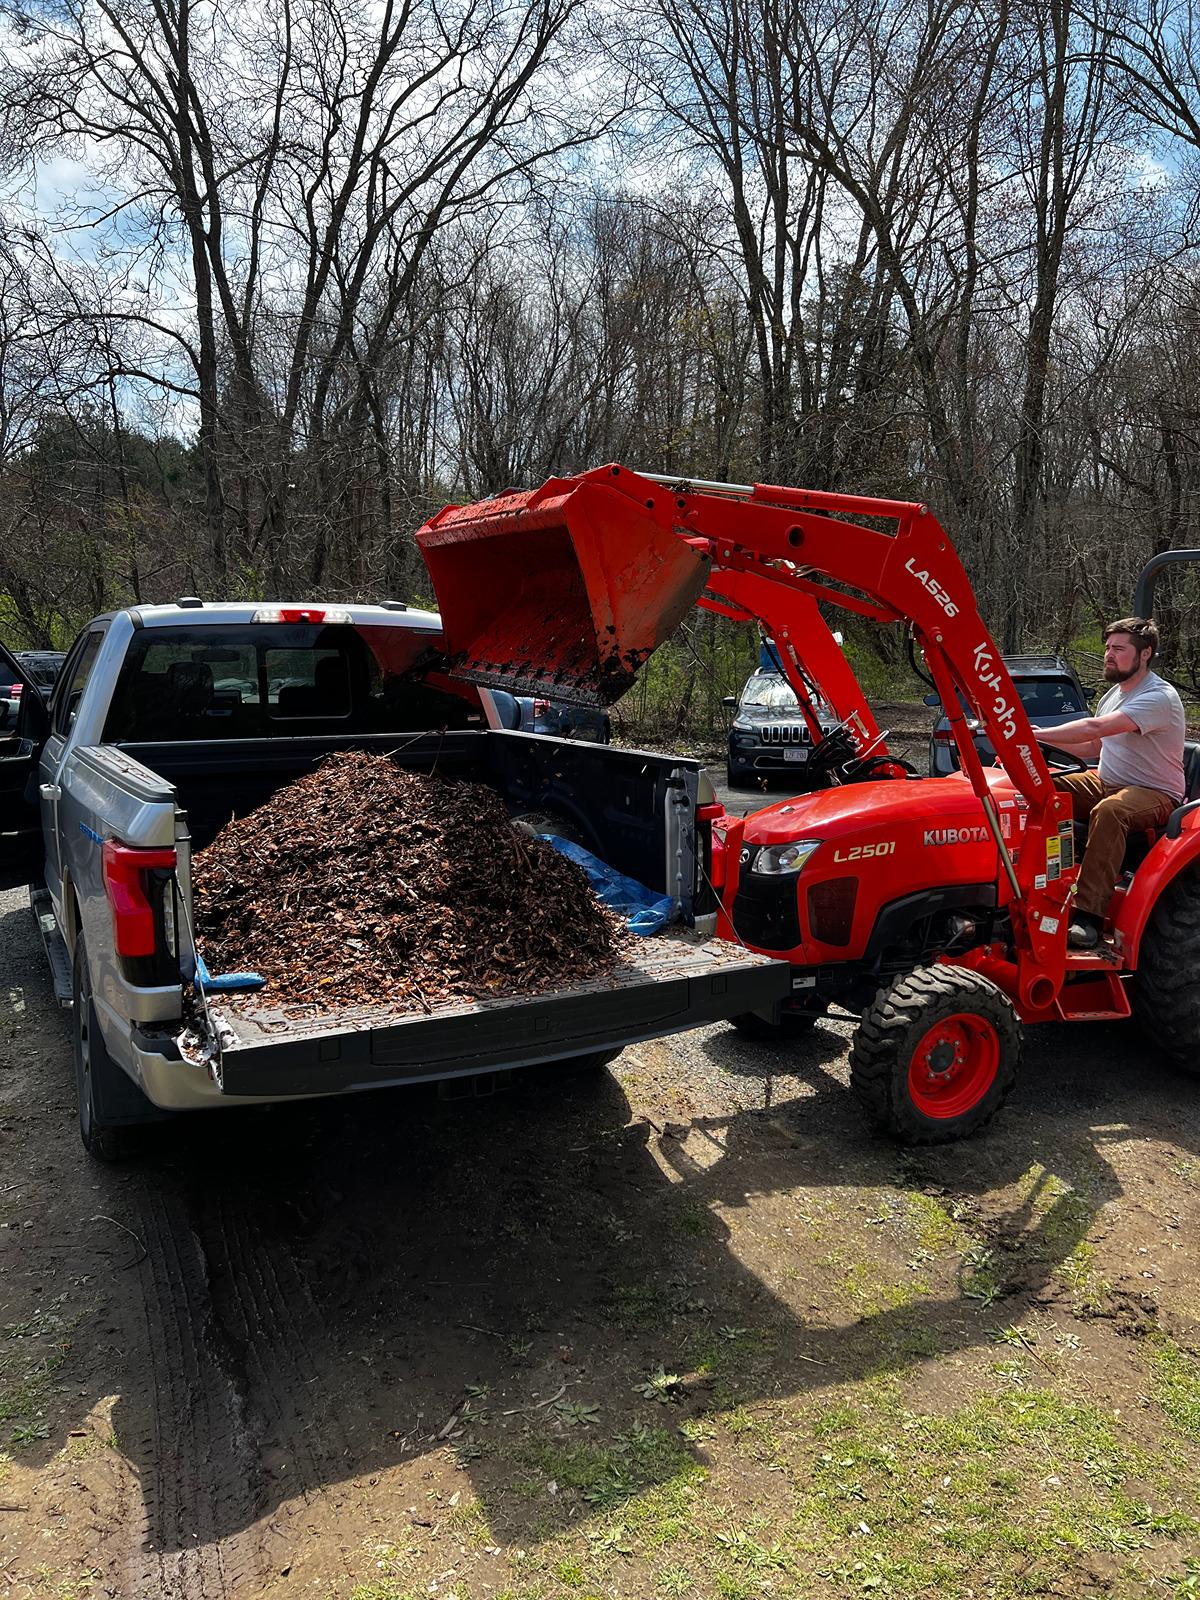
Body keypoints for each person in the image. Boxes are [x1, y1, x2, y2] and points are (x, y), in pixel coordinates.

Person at [1031, 618, 1185, 948]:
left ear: (1145, 654)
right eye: (1107, 648)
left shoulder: (1159, 697)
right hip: (1106, 779)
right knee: (1037, 785)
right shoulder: (1114, 694)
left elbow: (1092, 729)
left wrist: (1033, 734)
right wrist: (1033, 750)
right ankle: (1033, 885)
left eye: (1118, 649)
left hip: (1155, 793)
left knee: (1110, 811)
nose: (1108, 655)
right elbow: (1092, 748)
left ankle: (1088, 915)